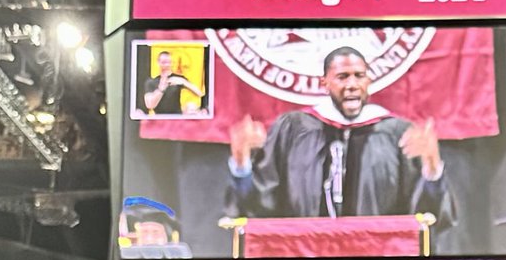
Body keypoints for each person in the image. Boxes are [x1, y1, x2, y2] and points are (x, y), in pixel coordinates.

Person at [226, 46, 456, 226]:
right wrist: (241, 163)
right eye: (343, 77)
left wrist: (432, 167)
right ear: (324, 83)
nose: (353, 85)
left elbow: (425, 217)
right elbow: (259, 208)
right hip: (304, 258)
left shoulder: (396, 133)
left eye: (359, 76)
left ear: (369, 81)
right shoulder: (292, 129)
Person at [144, 51, 204, 115]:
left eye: (168, 62)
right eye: (164, 62)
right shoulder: (151, 82)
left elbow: (199, 93)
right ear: (158, 63)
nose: (166, 65)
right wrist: (161, 89)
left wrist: (183, 82)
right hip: (159, 118)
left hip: (177, 117)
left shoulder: (178, 78)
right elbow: (149, 105)